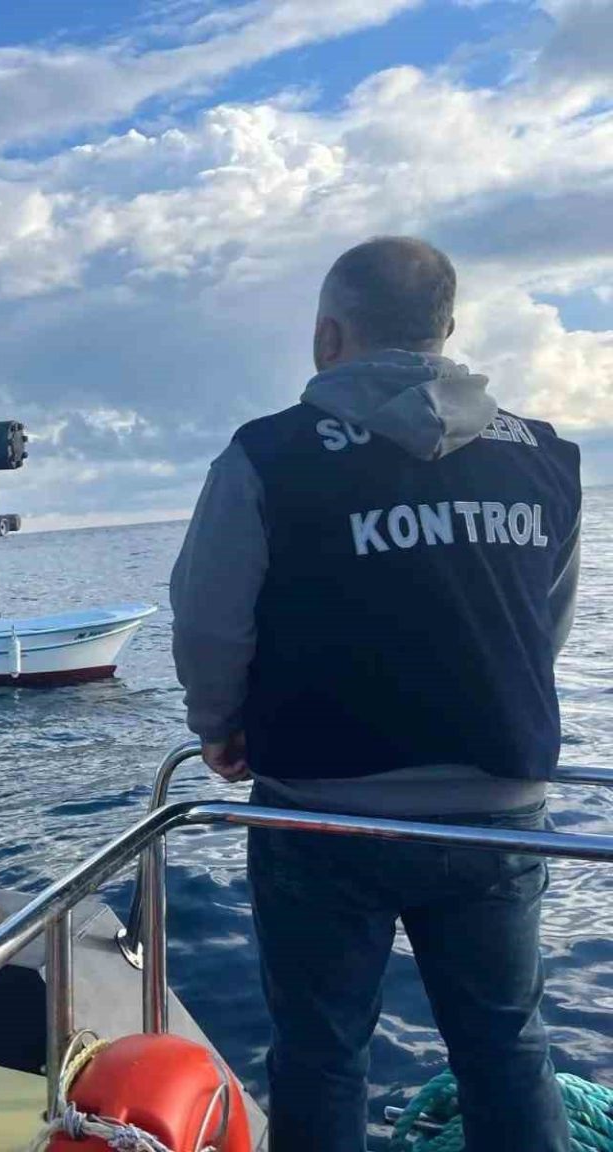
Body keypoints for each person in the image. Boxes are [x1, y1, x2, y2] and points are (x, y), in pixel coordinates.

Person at [170, 237, 581, 1152]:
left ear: (329, 337)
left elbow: (208, 623)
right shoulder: (547, 457)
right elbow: (542, 625)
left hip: (323, 812)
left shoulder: (266, 455)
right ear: (446, 329)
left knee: (321, 1056)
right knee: (507, 1048)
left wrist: (218, 726)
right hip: (497, 808)